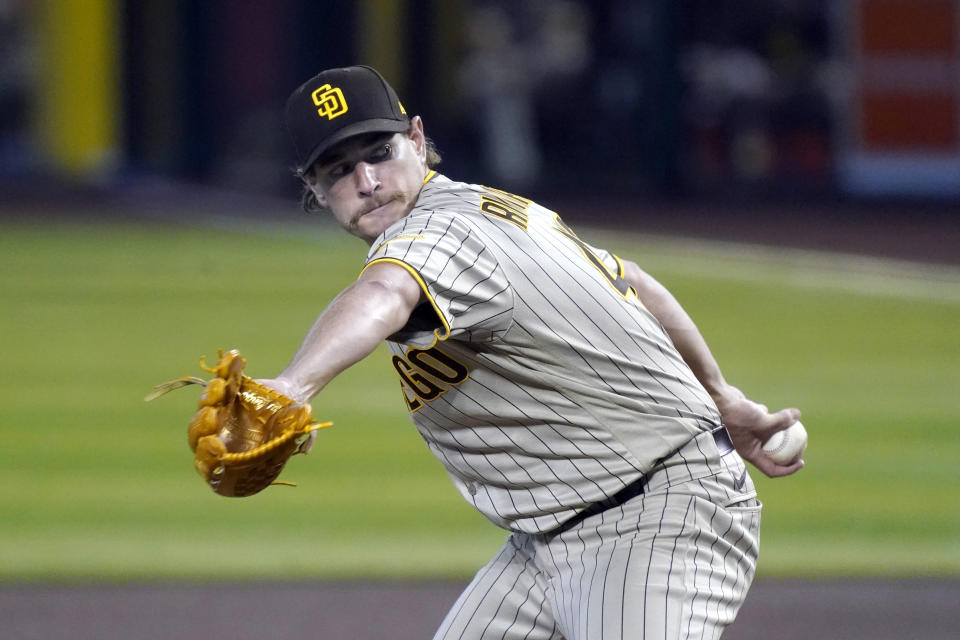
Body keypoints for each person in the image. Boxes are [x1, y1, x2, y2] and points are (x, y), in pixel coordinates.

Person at [269, 65, 803, 640]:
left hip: (657, 519)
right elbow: (635, 284)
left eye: (381, 152)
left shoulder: (438, 234)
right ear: (315, 188)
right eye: (340, 170)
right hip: (547, 543)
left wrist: (294, 386)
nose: (368, 179)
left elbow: (384, 291)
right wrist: (719, 395)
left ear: (418, 140)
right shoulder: (497, 211)